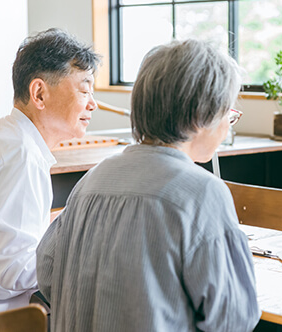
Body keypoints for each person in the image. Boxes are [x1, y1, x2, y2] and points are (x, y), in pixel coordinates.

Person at [36, 39, 261, 332]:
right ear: (201, 116)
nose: (228, 124)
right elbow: (234, 318)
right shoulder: (202, 192)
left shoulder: (92, 180)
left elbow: (47, 272)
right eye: (227, 112)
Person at [0, 28, 100, 312]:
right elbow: (13, 271)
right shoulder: (22, 155)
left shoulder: (9, 137)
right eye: (84, 89)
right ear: (39, 93)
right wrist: (81, 253)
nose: (93, 104)